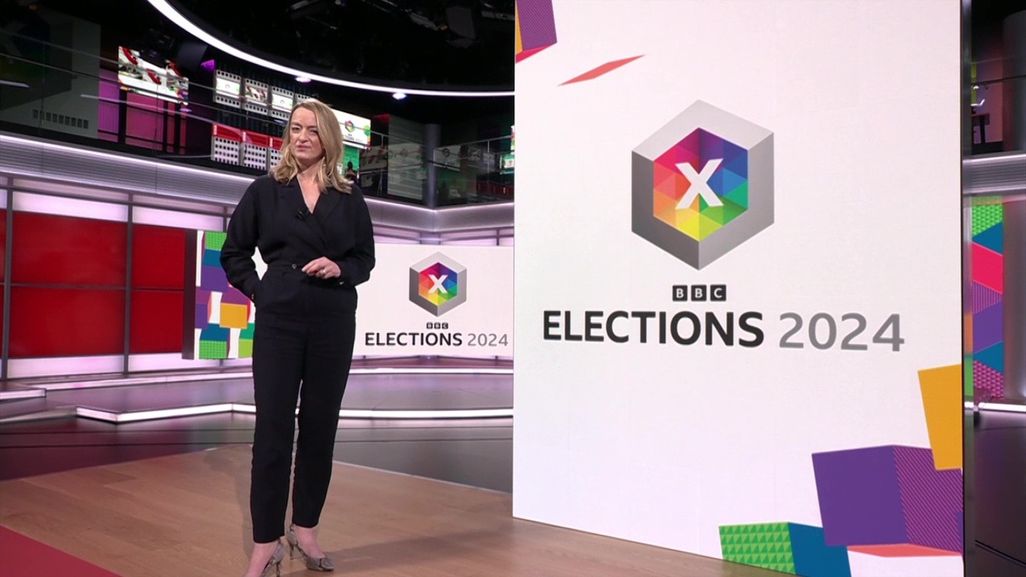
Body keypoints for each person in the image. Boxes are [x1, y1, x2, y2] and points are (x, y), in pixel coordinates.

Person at [221, 98, 375, 577]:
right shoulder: (266, 190)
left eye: (312, 129)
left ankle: (305, 529)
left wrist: (341, 268)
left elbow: (365, 260)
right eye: (295, 128)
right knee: (272, 431)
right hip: (280, 320)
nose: (302, 136)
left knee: (319, 428)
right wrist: (260, 291)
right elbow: (234, 253)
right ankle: (265, 541)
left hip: (333, 320)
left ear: (328, 137)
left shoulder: (349, 196)